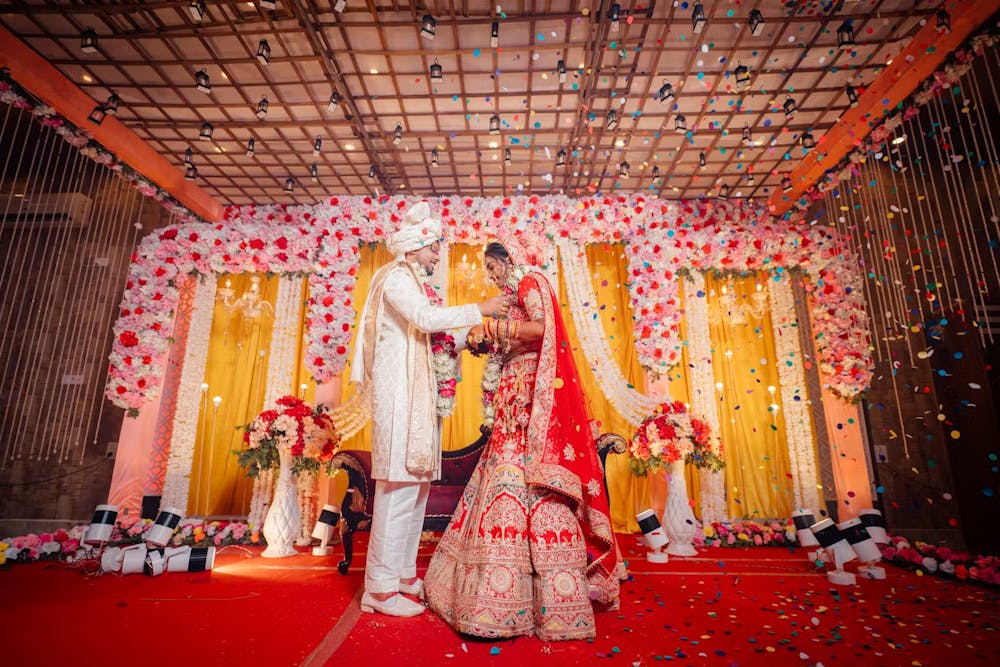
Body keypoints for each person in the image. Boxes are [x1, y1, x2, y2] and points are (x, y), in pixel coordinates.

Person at [424, 240, 622, 640]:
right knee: (506, 476)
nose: (490, 275)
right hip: (513, 392)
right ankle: (498, 599)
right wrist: (486, 342)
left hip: (530, 396)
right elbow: (518, 336)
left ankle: (546, 600)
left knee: (525, 481)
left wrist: (495, 327)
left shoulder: (531, 280)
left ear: (505, 260)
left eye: (491, 267)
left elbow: (540, 328)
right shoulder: (515, 291)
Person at [350, 202, 508, 617]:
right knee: (398, 490)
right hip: (401, 396)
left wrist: (469, 339)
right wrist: (481, 309)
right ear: (416, 246)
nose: (439, 254)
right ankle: (378, 591)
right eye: (435, 247)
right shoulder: (396, 278)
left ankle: (401, 577)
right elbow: (423, 319)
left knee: (414, 490)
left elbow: (432, 338)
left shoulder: (416, 282)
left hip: (420, 395)